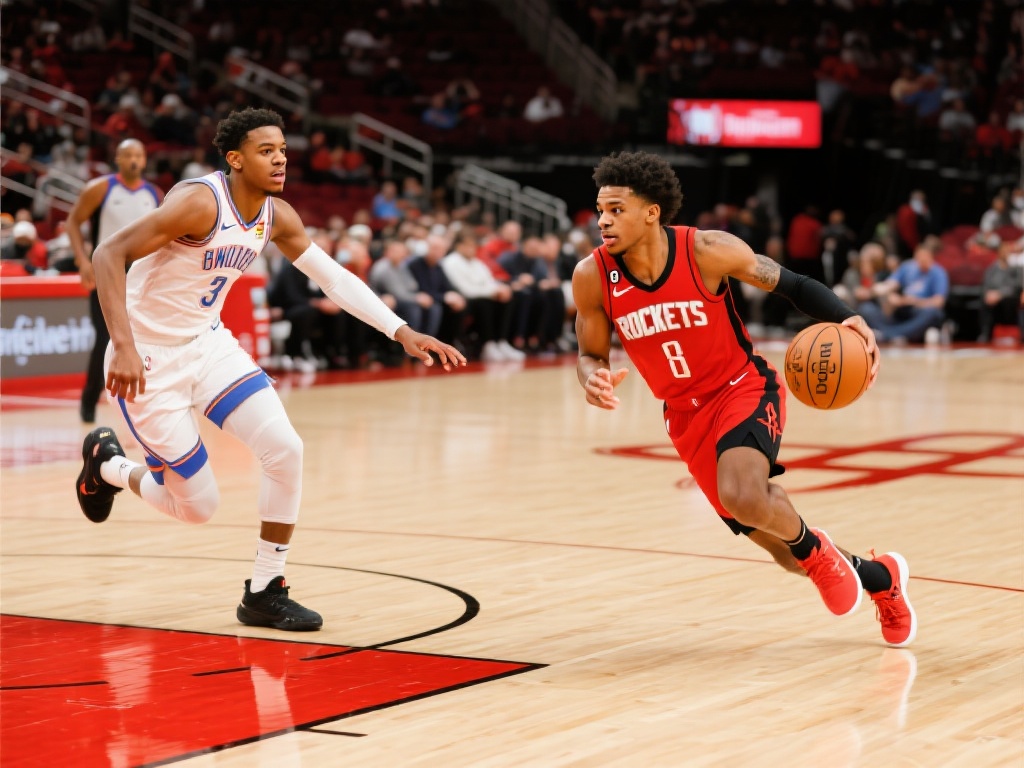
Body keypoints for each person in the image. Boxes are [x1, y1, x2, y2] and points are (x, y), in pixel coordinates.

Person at [77, 108, 465, 632]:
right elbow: (108, 253)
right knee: (198, 508)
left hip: (208, 345)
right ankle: (109, 467)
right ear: (235, 159)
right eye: (266, 151)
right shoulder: (198, 202)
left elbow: (334, 279)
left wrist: (401, 331)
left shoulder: (276, 216)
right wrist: (122, 345)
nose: (280, 159)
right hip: (147, 357)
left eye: (282, 149)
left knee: (286, 449)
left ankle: (265, 589)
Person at [572, 151, 915, 647]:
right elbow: (590, 353)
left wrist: (847, 316)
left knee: (746, 498)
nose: (603, 220)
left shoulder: (707, 250)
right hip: (683, 416)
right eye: (600, 209)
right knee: (781, 550)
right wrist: (592, 377)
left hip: (741, 387)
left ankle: (815, 549)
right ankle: (880, 577)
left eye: (616, 209)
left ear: (651, 212)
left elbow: (793, 284)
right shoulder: (592, 275)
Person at [65, 138, 163, 423]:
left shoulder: (154, 194)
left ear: (144, 160)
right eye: (128, 155)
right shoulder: (100, 188)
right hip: (107, 271)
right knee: (105, 338)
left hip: (142, 274)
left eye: (138, 155)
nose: (133, 160)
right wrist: (82, 261)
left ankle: (146, 403)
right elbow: (73, 222)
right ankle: (89, 401)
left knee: (147, 337)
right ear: (118, 159)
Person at [857, 242, 949, 344]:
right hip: (902, 310)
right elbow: (890, 284)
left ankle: (889, 335)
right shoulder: (907, 267)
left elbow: (939, 302)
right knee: (866, 309)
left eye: (924, 257)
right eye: (919, 257)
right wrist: (879, 292)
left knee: (933, 313)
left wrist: (914, 301)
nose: (921, 260)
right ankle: (896, 334)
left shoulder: (938, 273)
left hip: (920, 310)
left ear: (931, 257)